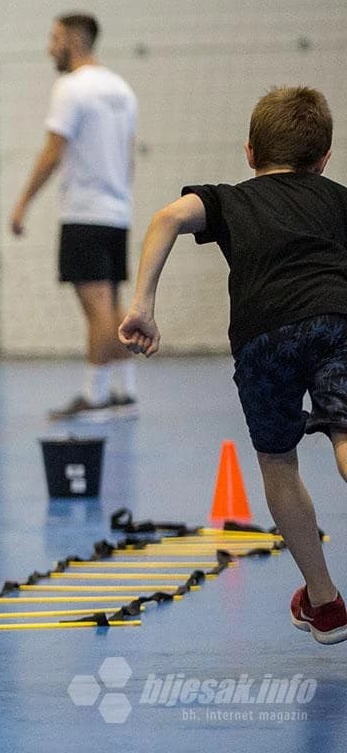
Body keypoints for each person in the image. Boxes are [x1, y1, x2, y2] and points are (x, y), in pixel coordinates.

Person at [119, 86, 347, 645]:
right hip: (335, 322)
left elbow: (167, 217)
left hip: (262, 338)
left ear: (249, 152)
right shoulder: (338, 198)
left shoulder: (229, 199)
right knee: (345, 441)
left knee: (279, 464)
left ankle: (324, 601)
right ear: (324, 159)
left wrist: (144, 305)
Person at [9, 13, 139, 420]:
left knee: (96, 308)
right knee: (113, 303)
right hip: (117, 211)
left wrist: (23, 201)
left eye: (54, 38)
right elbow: (129, 156)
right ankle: (124, 391)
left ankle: (95, 398)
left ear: (73, 40)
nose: (50, 47)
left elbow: (53, 150)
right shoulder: (122, 90)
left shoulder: (71, 89)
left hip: (84, 213)